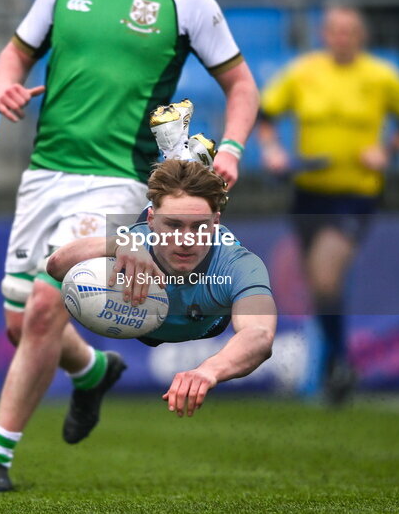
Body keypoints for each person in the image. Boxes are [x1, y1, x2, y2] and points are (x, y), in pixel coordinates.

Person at [0, 0, 259, 493]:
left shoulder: (187, 1)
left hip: (120, 179)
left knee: (46, 307)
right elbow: (12, 57)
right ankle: (94, 371)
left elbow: (241, 85)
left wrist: (230, 147)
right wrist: (5, 86)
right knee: (22, 323)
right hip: (44, 175)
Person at [38, 160, 273, 488]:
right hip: (142, 321)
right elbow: (57, 265)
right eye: (173, 225)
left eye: (199, 226)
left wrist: (209, 370)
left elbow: (260, 334)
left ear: (216, 222)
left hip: (207, 325)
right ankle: (92, 372)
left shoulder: (238, 263)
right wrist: (121, 243)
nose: (186, 239)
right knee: (31, 319)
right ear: (151, 220)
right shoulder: (135, 238)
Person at [256, 4, 399, 405]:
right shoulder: (304, 72)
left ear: (361, 35)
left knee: (327, 276)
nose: (341, 37)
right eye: (334, 30)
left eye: (349, 30)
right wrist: (272, 150)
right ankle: (338, 365)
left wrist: (388, 150)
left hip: (356, 192)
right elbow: (265, 113)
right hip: (309, 191)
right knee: (318, 285)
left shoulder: (381, 76)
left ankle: (337, 364)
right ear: (323, 34)